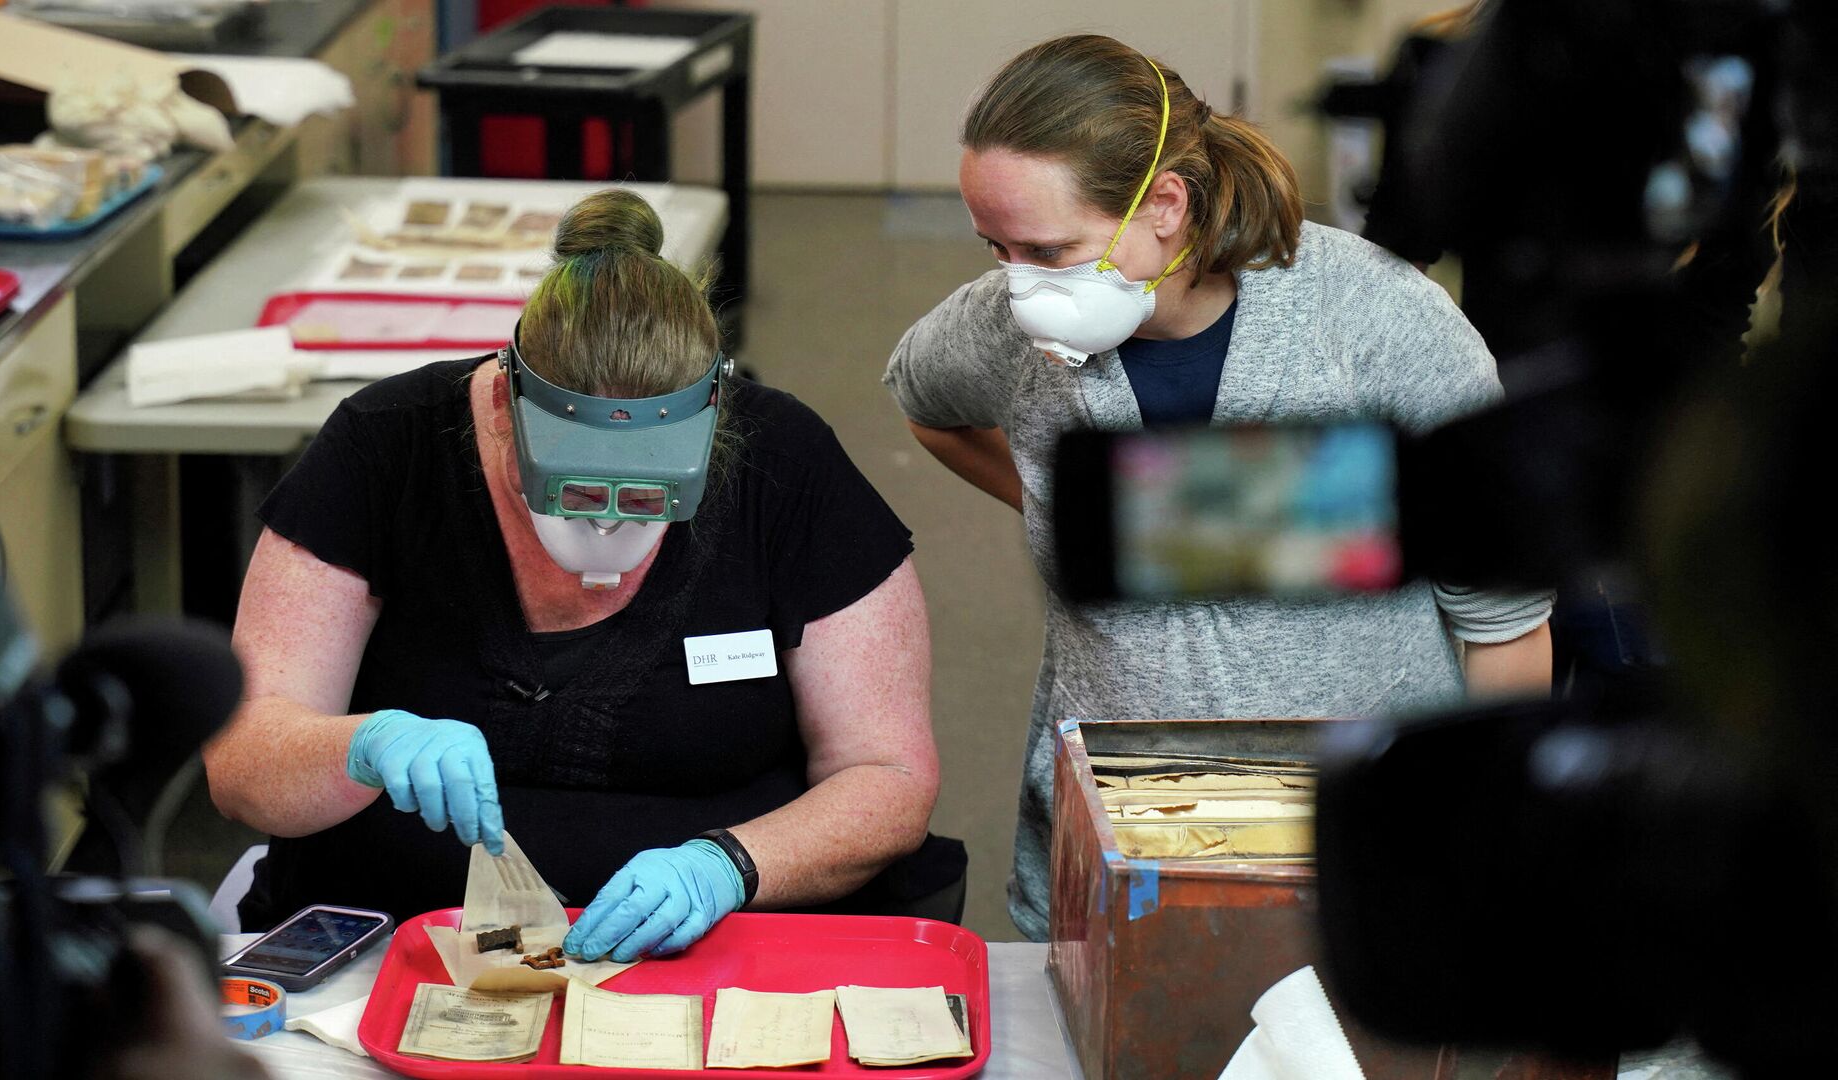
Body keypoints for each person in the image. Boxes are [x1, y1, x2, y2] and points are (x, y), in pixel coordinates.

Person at [883, 34, 1555, 941]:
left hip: (1358, 856)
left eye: (1049, 248)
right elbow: (927, 403)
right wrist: (1076, 507)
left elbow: (1505, 626)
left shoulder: (1374, 321)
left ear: (1164, 204)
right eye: (997, 248)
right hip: (1121, 856)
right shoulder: (1007, 327)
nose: (1022, 285)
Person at [205, 189, 952, 962]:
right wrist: (362, 746)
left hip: (711, 949)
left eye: (651, 497)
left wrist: (727, 866)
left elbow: (887, 774)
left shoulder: (784, 465)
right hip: (394, 941)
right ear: (503, 404)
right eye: (578, 490)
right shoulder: (384, 450)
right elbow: (241, 765)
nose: (608, 525)